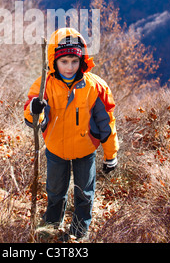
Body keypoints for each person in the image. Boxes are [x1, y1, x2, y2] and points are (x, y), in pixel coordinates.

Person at [24, 27, 119, 240]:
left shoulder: (95, 86)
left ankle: (78, 233)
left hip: (85, 151)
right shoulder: (44, 85)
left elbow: (107, 123)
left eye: (74, 62)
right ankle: (50, 227)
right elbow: (33, 119)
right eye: (64, 61)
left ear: (81, 60)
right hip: (56, 150)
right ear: (53, 61)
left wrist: (111, 154)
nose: (69, 67)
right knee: (56, 191)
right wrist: (34, 110)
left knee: (84, 195)